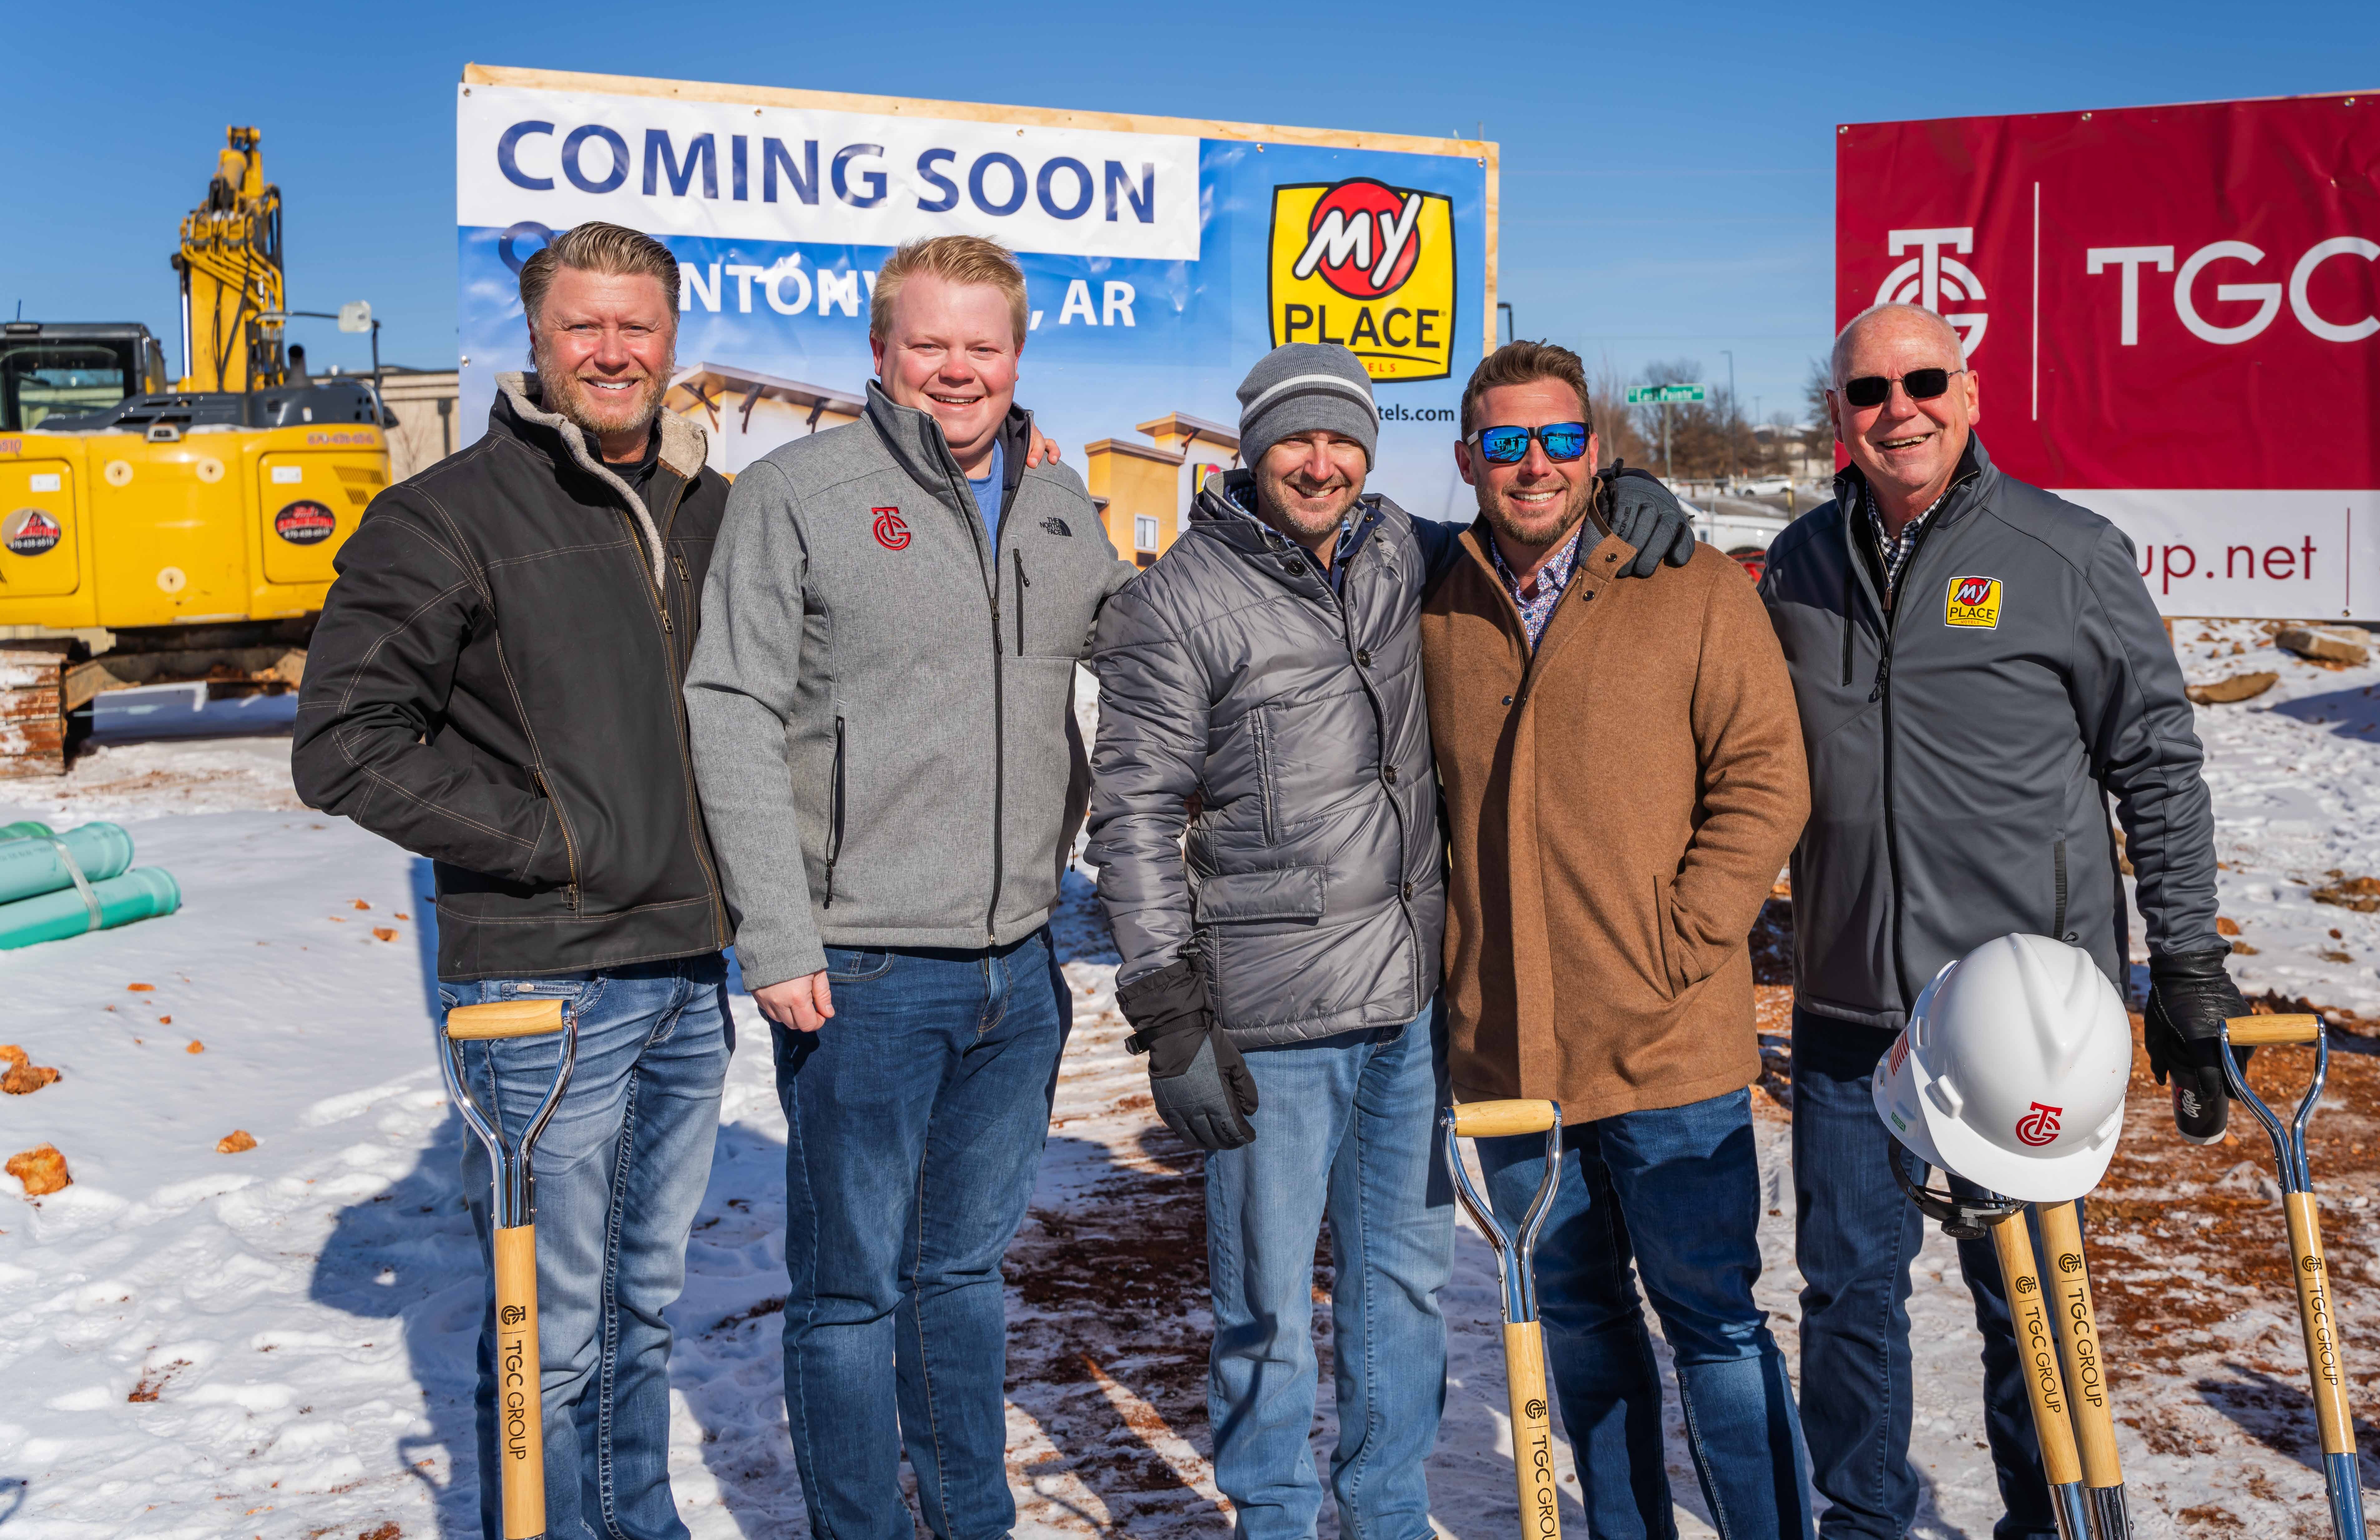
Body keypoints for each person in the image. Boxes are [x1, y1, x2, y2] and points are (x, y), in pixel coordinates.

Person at [1086, 342, 1697, 1540]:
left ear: (1368, 450)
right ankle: (1270, 1515)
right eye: (1295, 439)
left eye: (1342, 439)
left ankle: (1383, 1508)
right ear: (1250, 450)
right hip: (1268, 1016)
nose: (1320, 462)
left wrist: (1628, 497)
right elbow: (1134, 815)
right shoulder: (1175, 604)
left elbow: (1528, 529)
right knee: (1264, 1298)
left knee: (1403, 1287)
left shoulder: (1399, 550)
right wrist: (1167, 1007)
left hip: (1410, 1007)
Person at [1754, 301, 2248, 1540]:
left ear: (1969, 395)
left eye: (1922, 380)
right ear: (1836, 418)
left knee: (2030, 1301)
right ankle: (1863, 1521)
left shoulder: (2063, 552)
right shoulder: (1799, 564)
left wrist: (2185, 960)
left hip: (2020, 1016)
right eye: (1867, 392)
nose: (1897, 409)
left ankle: (2053, 1522)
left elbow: (2155, 762)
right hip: (1848, 1008)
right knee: (1846, 1299)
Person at [682, 235, 1130, 1540]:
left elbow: (1148, 644)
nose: (955, 369)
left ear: (1017, 356)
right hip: (862, 968)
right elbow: (729, 707)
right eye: (927, 343)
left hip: (1017, 967)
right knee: (849, 1294)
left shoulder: (1059, 507)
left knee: (965, 1273)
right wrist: (774, 928)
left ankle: (971, 1520)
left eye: (981, 345)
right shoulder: (800, 494)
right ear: (880, 353)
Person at [293, 220, 732, 1540]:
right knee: (556, 1325)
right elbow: (344, 746)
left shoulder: (711, 506)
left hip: (688, 976)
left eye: (637, 325)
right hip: (544, 991)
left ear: (671, 338)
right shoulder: (443, 518)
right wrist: (566, 845)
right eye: (583, 326)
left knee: (641, 1308)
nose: (613, 351)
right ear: (536, 339)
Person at [1419, 340, 1814, 1540]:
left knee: (1715, 1325)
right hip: (1512, 1050)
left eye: (1557, 439)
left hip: (1665, 1042)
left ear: (1595, 450)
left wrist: (1685, 933)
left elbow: (1765, 777)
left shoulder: (1688, 588)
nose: (1532, 465)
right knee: (1578, 1332)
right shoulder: (1434, 602)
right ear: (1467, 457)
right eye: (1504, 443)